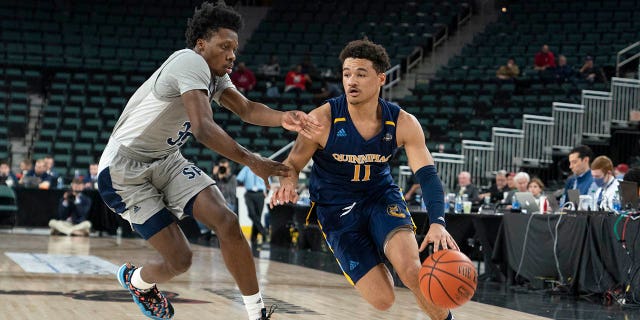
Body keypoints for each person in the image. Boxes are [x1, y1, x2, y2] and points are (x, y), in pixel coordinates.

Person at [96, 3, 320, 320]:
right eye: (224, 47)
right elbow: (202, 128)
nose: (232, 55)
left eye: (234, 49)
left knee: (227, 221)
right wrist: (253, 160)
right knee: (180, 260)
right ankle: (137, 281)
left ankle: (257, 313)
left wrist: (285, 117)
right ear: (202, 44)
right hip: (124, 171)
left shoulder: (214, 75)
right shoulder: (189, 61)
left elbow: (246, 109)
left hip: (166, 159)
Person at [271, 39, 458, 320]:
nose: (351, 81)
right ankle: (373, 254)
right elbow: (293, 163)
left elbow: (428, 175)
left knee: (412, 271)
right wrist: (288, 180)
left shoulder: (403, 122)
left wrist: (437, 222)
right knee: (383, 299)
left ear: (381, 78)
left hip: (379, 197)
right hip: (336, 209)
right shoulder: (322, 118)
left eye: (360, 73)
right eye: (346, 74)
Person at [237, 158, 269, 245]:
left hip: (260, 194)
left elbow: (268, 182)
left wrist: (266, 191)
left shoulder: (263, 169)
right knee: (251, 213)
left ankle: (253, 238)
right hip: (249, 194)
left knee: (258, 215)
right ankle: (263, 232)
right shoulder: (247, 168)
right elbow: (239, 178)